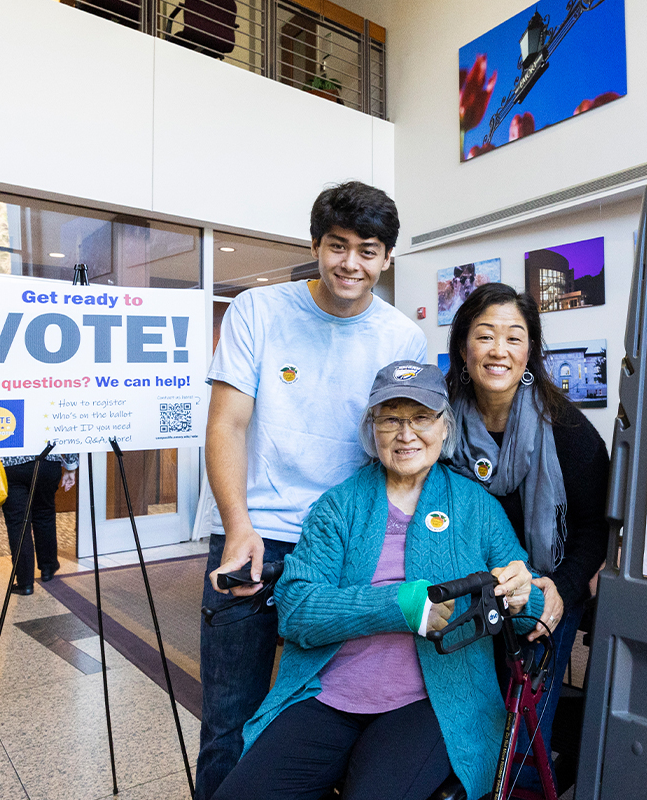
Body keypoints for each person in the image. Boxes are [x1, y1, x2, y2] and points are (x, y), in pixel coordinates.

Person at [213, 361, 541, 800]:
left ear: (445, 427)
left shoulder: (476, 508)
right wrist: (398, 605)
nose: (406, 434)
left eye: (421, 417)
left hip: (432, 702)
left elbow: (528, 609)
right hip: (327, 693)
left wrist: (523, 597)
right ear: (373, 431)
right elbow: (295, 610)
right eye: (391, 419)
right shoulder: (340, 506)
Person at [197, 181, 427, 800]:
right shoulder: (257, 311)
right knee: (228, 721)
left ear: (387, 258)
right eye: (338, 246)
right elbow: (227, 422)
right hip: (255, 534)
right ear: (317, 246)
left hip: (344, 551)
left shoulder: (402, 337)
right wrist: (238, 523)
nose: (350, 263)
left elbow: (402, 447)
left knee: (322, 711)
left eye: (367, 250)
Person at [444, 282, 610, 785]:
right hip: (464, 591)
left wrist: (560, 588)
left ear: (531, 351)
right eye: (485, 335)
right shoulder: (436, 424)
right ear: (463, 347)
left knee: (523, 727)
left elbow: (593, 527)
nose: (500, 350)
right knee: (457, 719)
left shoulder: (568, 430)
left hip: (545, 589)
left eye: (515, 338)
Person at [0, 453, 77, 595]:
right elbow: (63, 432)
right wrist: (71, 467)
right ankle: (48, 568)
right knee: (45, 514)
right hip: (47, 463)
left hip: (10, 465)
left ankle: (25, 582)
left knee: (18, 523)